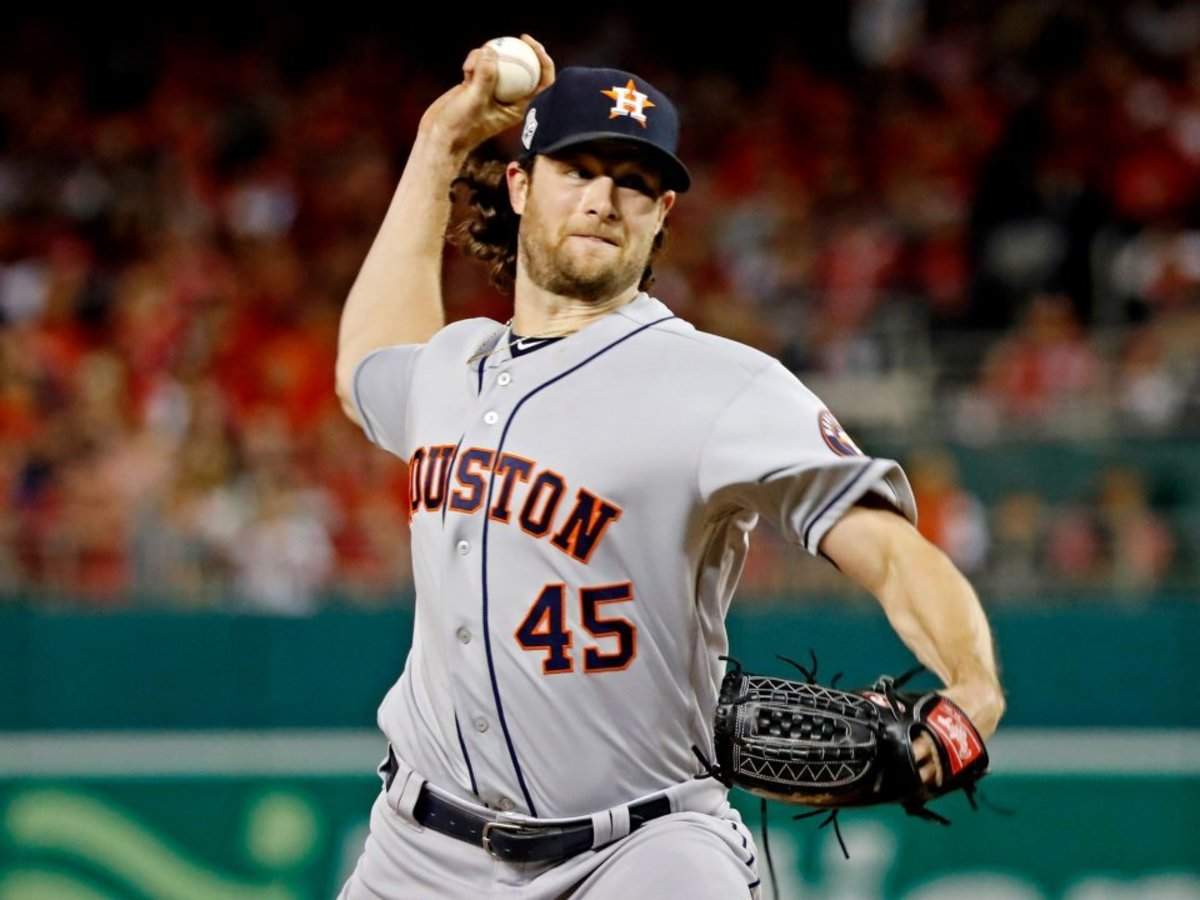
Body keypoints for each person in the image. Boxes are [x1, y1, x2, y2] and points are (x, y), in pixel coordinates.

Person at [335, 35, 1005, 899]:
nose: (605, 199)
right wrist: (439, 141)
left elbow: (883, 544)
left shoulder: (720, 384)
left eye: (636, 183)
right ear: (520, 184)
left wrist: (975, 683)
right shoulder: (451, 367)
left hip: (642, 848)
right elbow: (366, 367)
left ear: (661, 217)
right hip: (420, 850)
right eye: (578, 169)